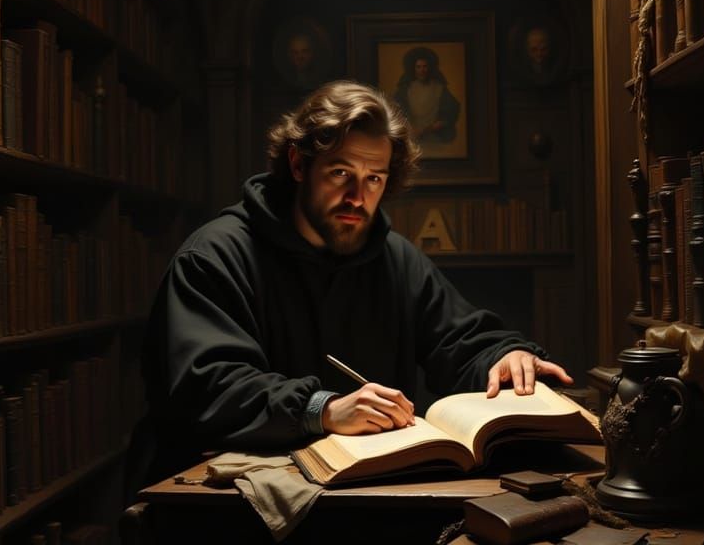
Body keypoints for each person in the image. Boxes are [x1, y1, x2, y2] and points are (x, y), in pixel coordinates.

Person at [127, 80, 573, 491]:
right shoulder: (214, 256)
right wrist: (321, 409)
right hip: (225, 507)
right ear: (299, 164)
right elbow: (209, 388)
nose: (358, 197)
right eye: (341, 173)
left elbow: (459, 338)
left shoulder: (395, 258)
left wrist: (504, 356)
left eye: (373, 178)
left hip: (362, 492)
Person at [392, 46, 461, 146]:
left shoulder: (439, 87)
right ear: (413, 68)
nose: (422, 70)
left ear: (429, 68)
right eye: (418, 67)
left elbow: (452, 109)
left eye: (425, 66)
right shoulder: (405, 89)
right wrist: (410, 129)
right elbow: (396, 109)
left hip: (434, 136)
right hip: (412, 137)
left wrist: (436, 125)